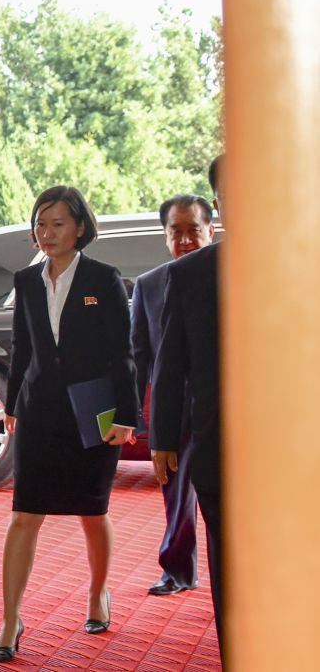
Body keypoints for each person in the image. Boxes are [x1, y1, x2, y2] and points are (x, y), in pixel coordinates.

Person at [0, 186, 139, 663]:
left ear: (79, 227)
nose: (47, 232)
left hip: (92, 413)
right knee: (23, 515)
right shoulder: (26, 281)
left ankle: (98, 594)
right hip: (38, 413)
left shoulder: (104, 278)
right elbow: (23, 349)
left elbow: (123, 354)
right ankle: (11, 619)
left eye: (57, 223)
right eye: (40, 223)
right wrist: (12, 403)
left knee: (92, 513)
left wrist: (127, 417)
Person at [151, 155, 226, 660]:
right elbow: (169, 361)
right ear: (221, 205)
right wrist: (159, 439)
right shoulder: (192, 276)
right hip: (220, 447)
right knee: (232, 565)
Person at [131, 194, 216, 596]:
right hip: (172, 407)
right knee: (176, 497)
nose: (184, 240)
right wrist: (137, 416)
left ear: (210, 231)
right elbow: (140, 356)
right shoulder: (148, 286)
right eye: (175, 232)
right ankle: (178, 570)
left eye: (192, 231)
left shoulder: (229, 274)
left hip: (216, 405)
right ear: (165, 237)